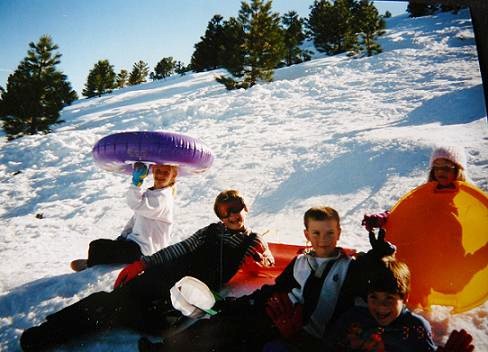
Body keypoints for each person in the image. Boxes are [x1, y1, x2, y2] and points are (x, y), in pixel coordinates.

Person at [20, 189, 274, 351]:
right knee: (110, 302)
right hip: (163, 275)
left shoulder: (252, 241)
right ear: (220, 215)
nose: (233, 215)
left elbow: (268, 259)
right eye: (226, 212)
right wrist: (143, 263)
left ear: (245, 208)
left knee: (135, 313)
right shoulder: (209, 231)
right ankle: (49, 332)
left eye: (237, 208)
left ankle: (66, 328)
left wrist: (263, 257)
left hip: (184, 295)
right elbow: (178, 248)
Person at [138, 206, 396, 351]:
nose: (323, 240)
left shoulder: (348, 266)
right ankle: (165, 349)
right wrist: (241, 304)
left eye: (329, 233)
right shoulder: (302, 260)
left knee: (237, 339)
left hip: (304, 335)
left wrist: (382, 255)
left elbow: (380, 280)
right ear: (307, 234)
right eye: (316, 233)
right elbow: (276, 288)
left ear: (339, 232)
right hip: (279, 315)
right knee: (223, 319)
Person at [362, 145, 488, 308]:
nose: (440, 171)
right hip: (424, 263)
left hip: (451, 268)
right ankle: (419, 293)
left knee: (466, 271)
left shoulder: (466, 200)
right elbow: (405, 212)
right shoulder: (424, 197)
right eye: (436, 167)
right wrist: (382, 218)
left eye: (446, 167)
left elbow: (479, 219)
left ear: (458, 170)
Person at [324, 256, 475, 352]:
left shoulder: (415, 328)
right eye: (373, 297)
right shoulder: (354, 317)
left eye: (389, 298)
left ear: (405, 297)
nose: (380, 306)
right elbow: (330, 344)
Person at [70, 162, 178, 271]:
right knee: (99, 245)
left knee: (97, 246)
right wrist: (123, 236)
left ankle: (91, 265)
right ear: (153, 170)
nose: (160, 175)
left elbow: (135, 204)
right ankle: (96, 260)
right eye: (158, 171)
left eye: (166, 173)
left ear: (172, 176)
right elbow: (135, 219)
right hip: (136, 245)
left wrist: (136, 183)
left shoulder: (164, 198)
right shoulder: (152, 193)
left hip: (145, 251)